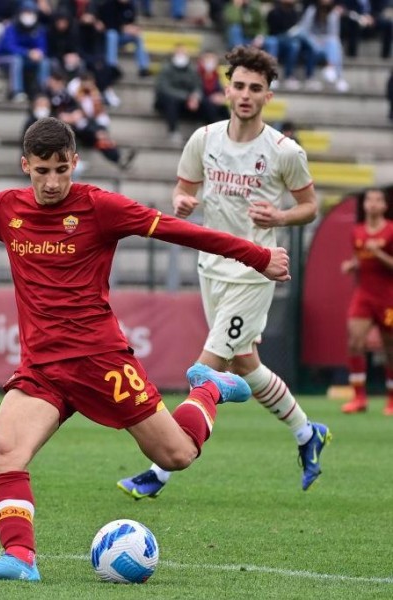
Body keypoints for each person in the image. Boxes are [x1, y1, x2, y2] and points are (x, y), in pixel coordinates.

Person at [0, 116, 291, 582]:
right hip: (42, 367)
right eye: (43, 171)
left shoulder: (100, 207)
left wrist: (258, 255)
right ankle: (20, 558)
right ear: (26, 166)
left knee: (177, 456)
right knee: (4, 453)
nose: (53, 182)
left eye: (62, 170)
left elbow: (179, 230)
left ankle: (207, 389)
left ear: (75, 163)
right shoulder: (6, 209)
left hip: (99, 360)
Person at [119, 46, 329, 499]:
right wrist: (182, 203)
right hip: (210, 267)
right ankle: (306, 433)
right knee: (244, 363)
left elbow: (311, 207)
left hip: (255, 270)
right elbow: (183, 190)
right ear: (226, 88)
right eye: (239, 86)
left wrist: (280, 216)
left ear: (268, 95)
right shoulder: (204, 138)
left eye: (256, 88)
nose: (246, 95)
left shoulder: (283, 151)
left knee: (206, 368)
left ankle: (159, 470)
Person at [340, 189, 393, 414]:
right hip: (364, 295)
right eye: (369, 200)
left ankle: (391, 399)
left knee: (389, 348)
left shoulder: (390, 230)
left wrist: (379, 254)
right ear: (364, 206)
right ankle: (359, 398)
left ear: (385, 206)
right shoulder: (357, 231)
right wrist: (352, 265)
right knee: (355, 342)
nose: (372, 204)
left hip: (388, 297)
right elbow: (360, 257)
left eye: (378, 200)